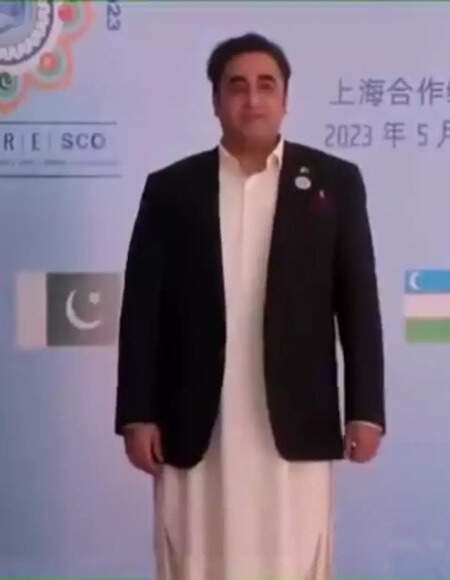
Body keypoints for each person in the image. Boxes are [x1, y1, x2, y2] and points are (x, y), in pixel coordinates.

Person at [114, 33, 386, 580]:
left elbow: (358, 303)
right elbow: (141, 312)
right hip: (195, 418)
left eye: (267, 85)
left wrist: (366, 409)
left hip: (294, 416)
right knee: (198, 549)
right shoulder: (171, 189)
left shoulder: (334, 182)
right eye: (236, 86)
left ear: (286, 98)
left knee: (291, 552)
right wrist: (136, 414)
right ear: (215, 100)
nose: (252, 99)